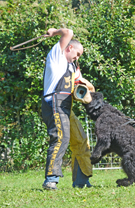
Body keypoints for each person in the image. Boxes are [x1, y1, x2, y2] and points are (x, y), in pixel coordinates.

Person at [41, 28, 95, 190]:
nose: (77, 58)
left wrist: (86, 89)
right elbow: (68, 31)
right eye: (77, 54)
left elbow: (85, 85)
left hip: (65, 107)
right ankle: (51, 179)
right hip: (53, 105)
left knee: (80, 139)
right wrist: (53, 32)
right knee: (60, 138)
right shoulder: (57, 57)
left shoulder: (72, 67)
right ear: (69, 48)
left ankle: (81, 180)